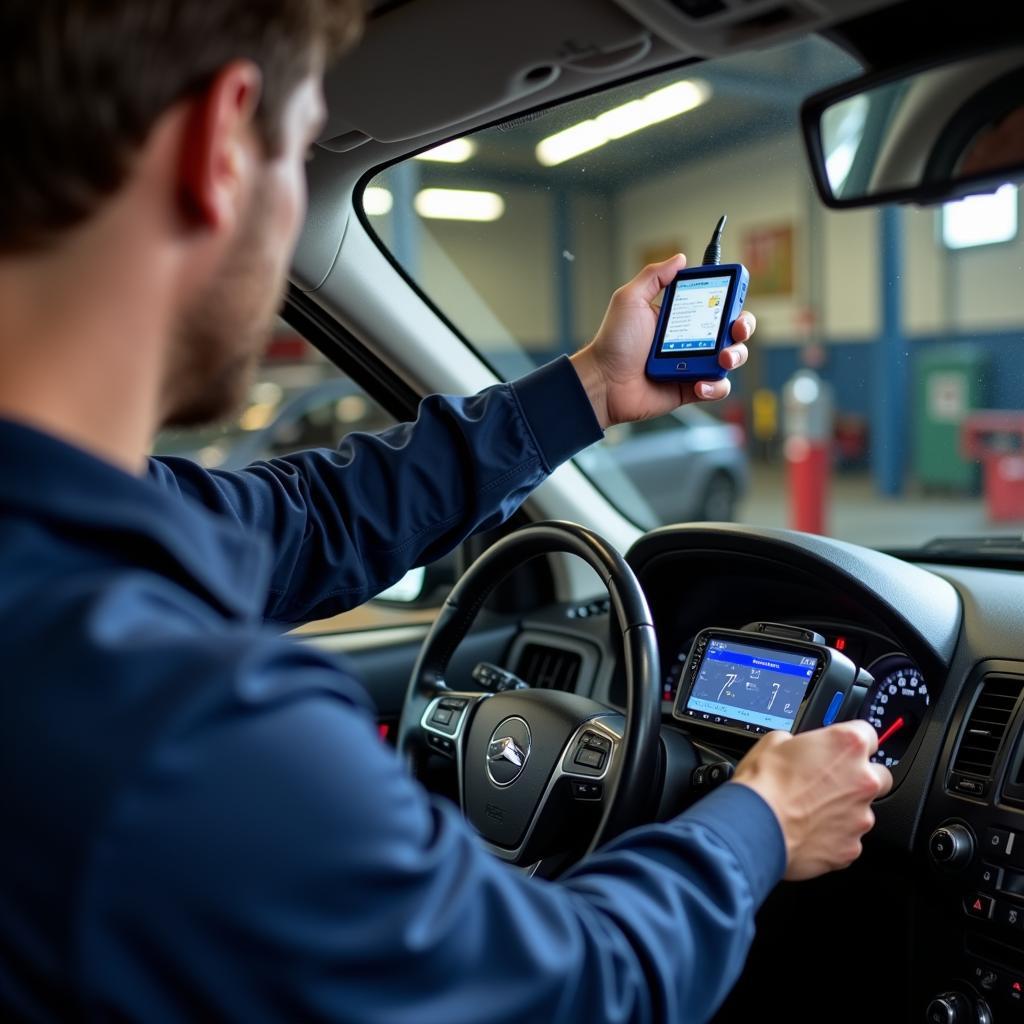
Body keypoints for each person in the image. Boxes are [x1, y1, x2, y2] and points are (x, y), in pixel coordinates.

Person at [0, 2, 891, 1021]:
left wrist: (592, 386)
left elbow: (308, 522)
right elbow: (574, 991)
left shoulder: (66, 548)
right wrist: (762, 820)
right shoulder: (177, 729)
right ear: (221, 146)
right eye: (295, 162)